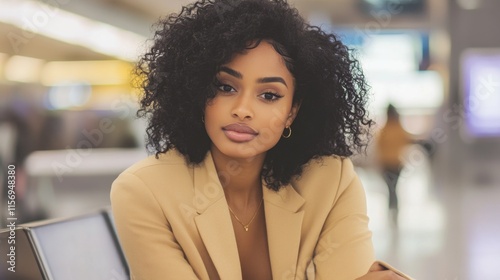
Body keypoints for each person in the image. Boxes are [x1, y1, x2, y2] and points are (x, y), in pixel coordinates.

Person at [111, 0, 412, 279]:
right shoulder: (143, 192)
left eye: (269, 95)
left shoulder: (332, 182)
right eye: (225, 87)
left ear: (292, 112)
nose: (242, 110)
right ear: (197, 91)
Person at [375, 104, 412, 225]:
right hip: (396, 163)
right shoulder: (398, 127)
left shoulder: (385, 129)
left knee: (390, 187)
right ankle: (394, 208)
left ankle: (391, 208)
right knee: (394, 187)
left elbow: (379, 146)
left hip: (387, 163)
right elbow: (406, 140)